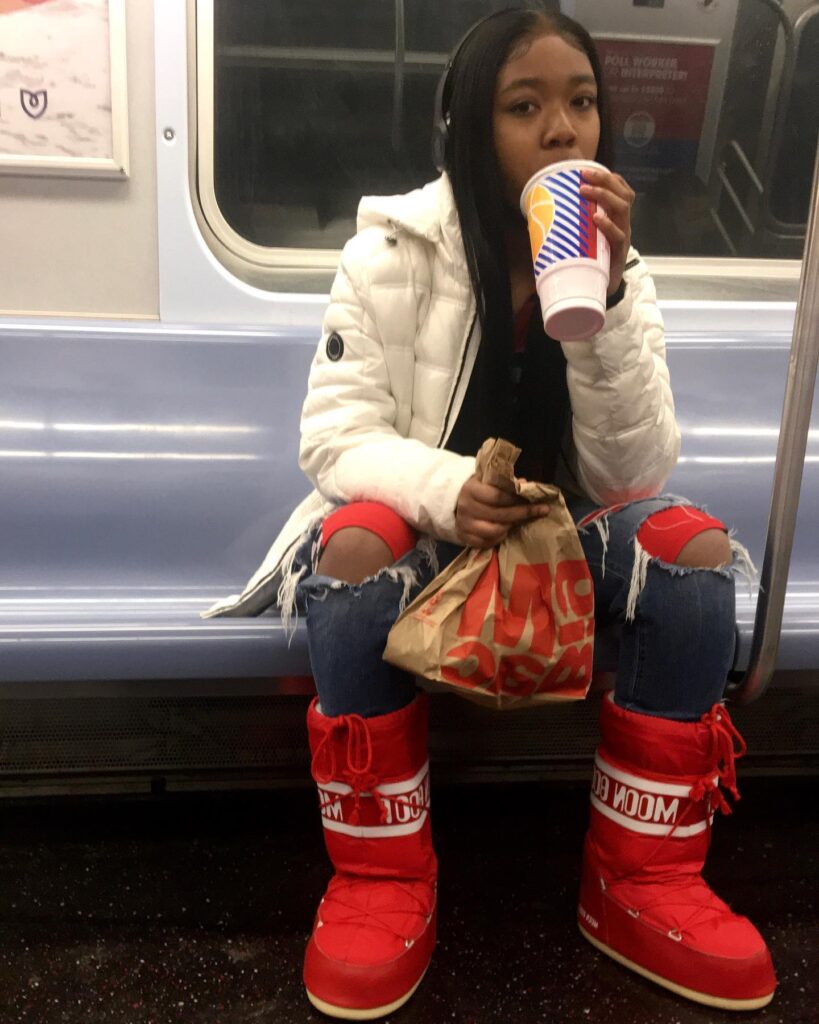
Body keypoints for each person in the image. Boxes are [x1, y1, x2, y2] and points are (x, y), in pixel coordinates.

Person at [206, 5, 776, 1018]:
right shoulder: (387, 253)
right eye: (526, 106)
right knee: (351, 552)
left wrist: (601, 309)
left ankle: (641, 880)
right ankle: (382, 877)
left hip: (566, 537)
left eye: (583, 102)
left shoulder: (622, 270)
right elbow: (333, 440)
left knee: (691, 550)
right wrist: (443, 490)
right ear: (471, 125)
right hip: (433, 538)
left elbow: (637, 468)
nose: (565, 131)